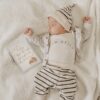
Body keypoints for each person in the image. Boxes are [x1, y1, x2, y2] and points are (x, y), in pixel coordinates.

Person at [24, 4, 92, 100]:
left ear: (65, 25)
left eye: (53, 25)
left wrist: (87, 25)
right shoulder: (49, 38)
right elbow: (39, 41)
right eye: (49, 25)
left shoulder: (74, 36)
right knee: (40, 80)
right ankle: (40, 96)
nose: (49, 28)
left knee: (71, 88)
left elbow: (85, 36)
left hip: (67, 72)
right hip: (49, 69)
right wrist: (30, 35)